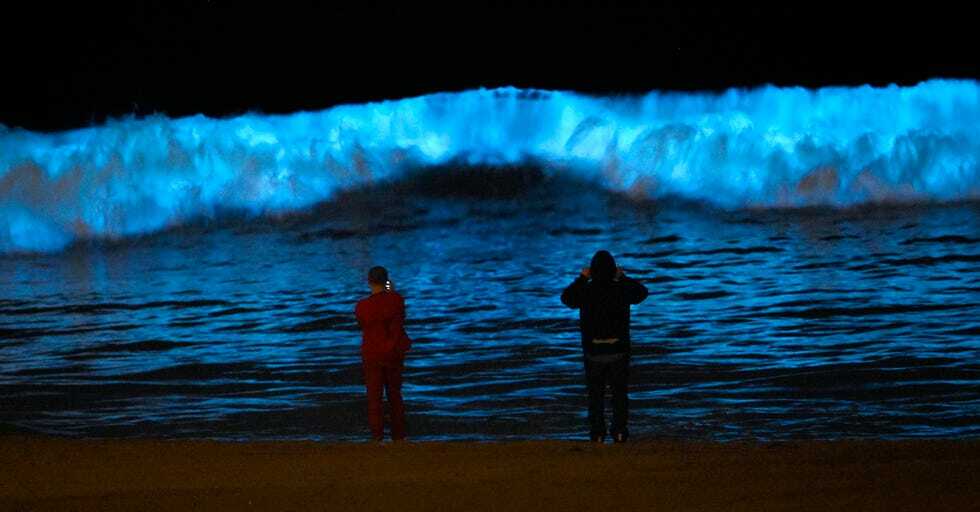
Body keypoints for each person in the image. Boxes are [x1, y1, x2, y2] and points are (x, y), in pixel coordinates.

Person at [561, 250, 648, 443]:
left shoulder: (586, 290)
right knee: (619, 394)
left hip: (593, 351)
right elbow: (642, 293)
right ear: (612, 270)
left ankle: (598, 433)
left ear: (593, 271)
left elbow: (567, 298)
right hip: (618, 350)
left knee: (595, 395)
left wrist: (582, 279)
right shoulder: (621, 289)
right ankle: (618, 432)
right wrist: (623, 277)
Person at [355, 266, 411, 442]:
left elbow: (363, 325)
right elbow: (400, 315)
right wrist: (389, 290)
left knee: (374, 397)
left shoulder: (362, 306)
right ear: (386, 280)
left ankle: (377, 437)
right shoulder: (396, 300)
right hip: (393, 351)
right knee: (395, 395)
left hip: (372, 353)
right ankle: (398, 437)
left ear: (369, 281)